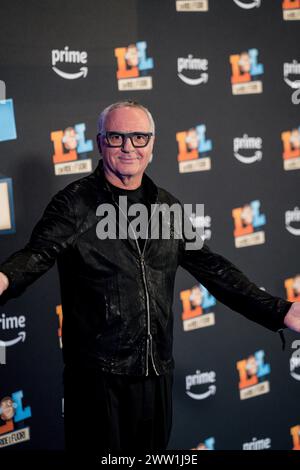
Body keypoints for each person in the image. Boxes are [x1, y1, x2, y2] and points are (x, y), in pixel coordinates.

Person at [0, 100, 299, 454]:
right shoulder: (74, 204)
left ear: (152, 145)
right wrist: (4, 277)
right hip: (97, 380)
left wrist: (280, 310)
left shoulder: (167, 208)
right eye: (116, 137)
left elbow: (213, 268)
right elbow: (36, 254)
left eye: (139, 137)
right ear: (100, 143)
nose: (129, 147)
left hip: (155, 375)